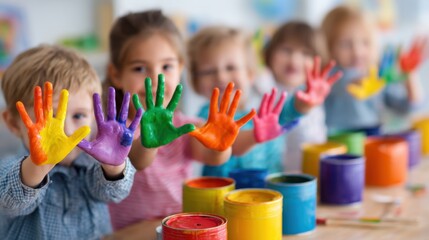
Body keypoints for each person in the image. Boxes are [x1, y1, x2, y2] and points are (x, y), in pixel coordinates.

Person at [0, 45, 140, 239]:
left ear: (93, 117)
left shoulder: (92, 167)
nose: (66, 130)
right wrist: (38, 166)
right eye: (51, 118)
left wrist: (113, 166)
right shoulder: (8, 168)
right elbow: (10, 203)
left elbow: (113, 194)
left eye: (79, 115)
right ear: (13, 123)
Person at [321, 5, 423, 133]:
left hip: (373, 139)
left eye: (365, 42)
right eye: (345, 44)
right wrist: (365, 81)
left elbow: (408, 108)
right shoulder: (328, 75)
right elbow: (347, 83)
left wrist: (409, 75)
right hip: (338, 143)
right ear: (328, 46)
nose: (357, 51)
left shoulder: (377, 73)